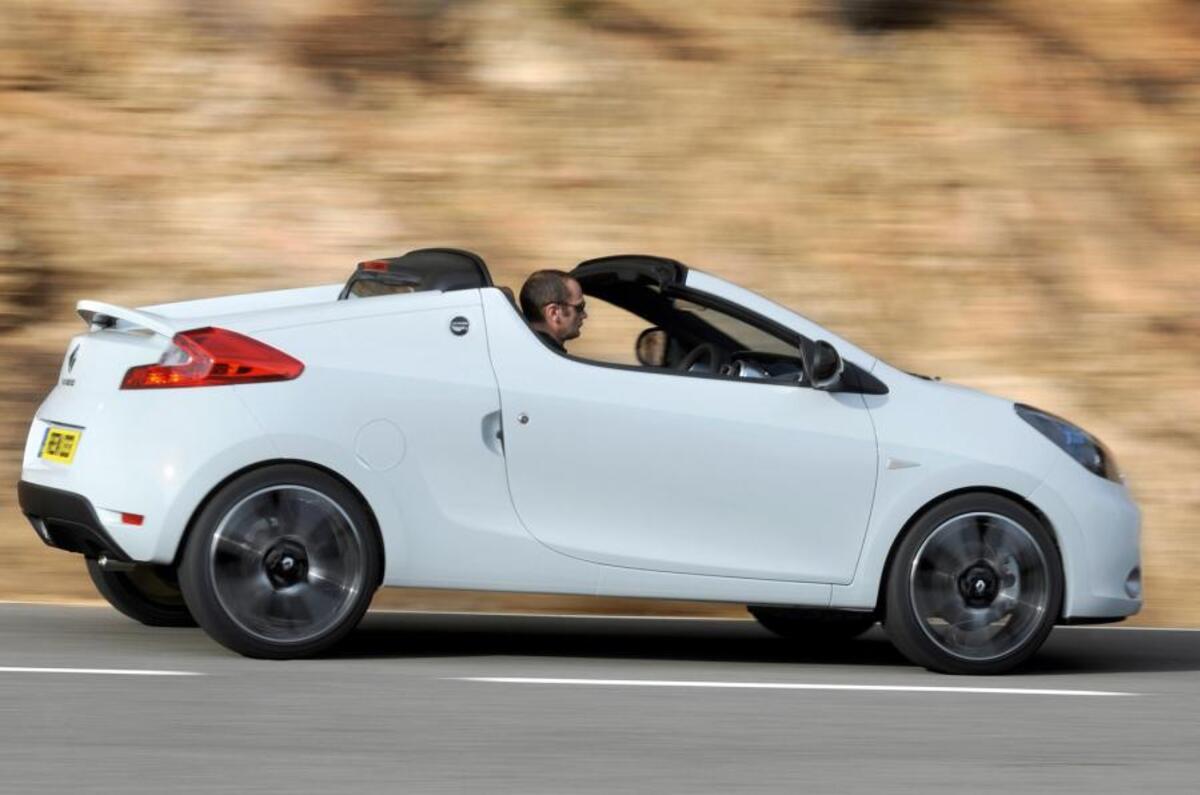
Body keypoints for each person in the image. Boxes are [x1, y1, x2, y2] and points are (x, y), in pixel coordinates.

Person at [518, 269, 587, 352]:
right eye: (579, 307)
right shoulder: (549, 360)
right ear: (553, 313)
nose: (584, 315)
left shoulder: (522, 351)